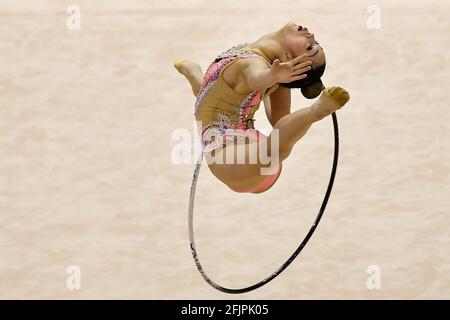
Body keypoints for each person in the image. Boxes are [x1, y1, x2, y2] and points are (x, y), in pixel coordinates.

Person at [174, 22, 350, 193]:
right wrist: (274, 77)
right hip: (244, 140)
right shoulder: (257, 59)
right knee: (209, 92)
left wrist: (271, 76)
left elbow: (255, 77)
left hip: (236, 157)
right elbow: (278, 119)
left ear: (288, 58)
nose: (312, 36)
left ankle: (317, 112)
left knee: (274, 147)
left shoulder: (256, 67)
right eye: (315, 44)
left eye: (310, 47)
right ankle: (192, 70)